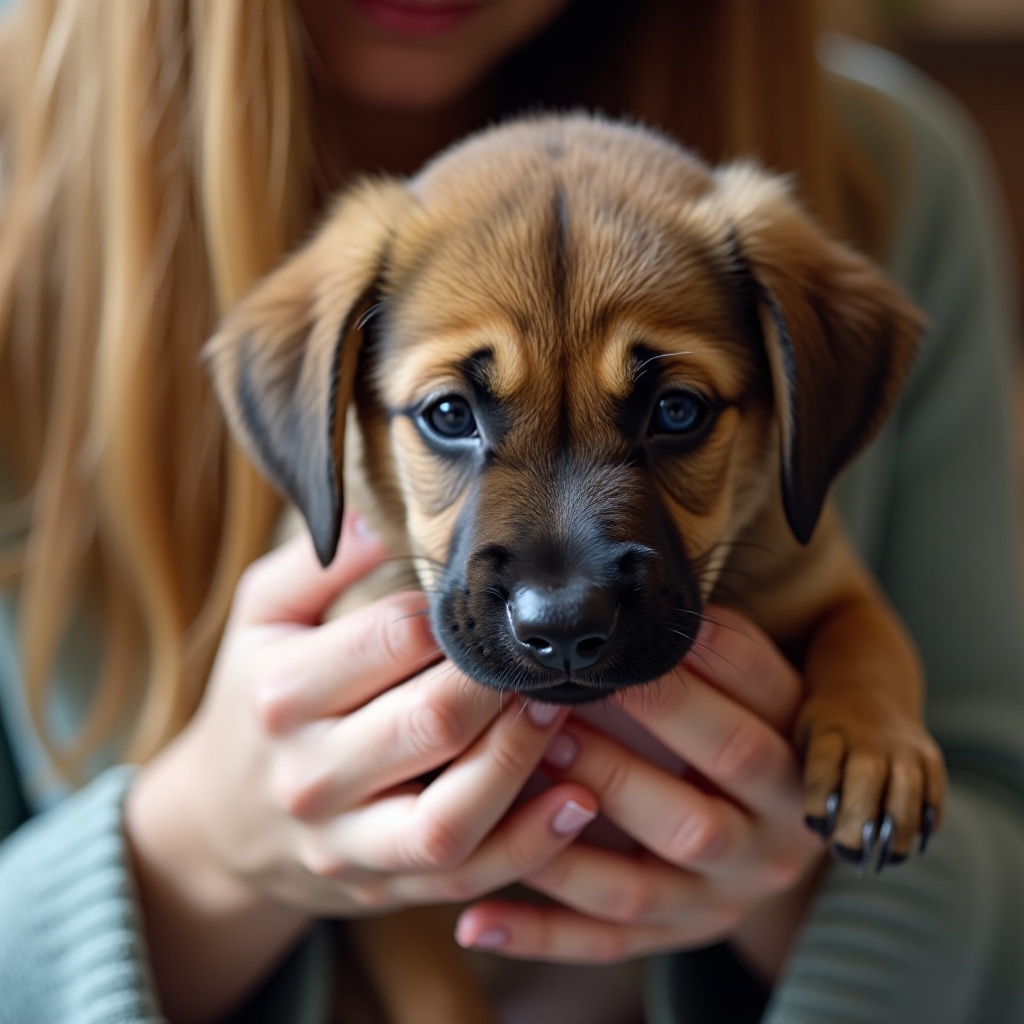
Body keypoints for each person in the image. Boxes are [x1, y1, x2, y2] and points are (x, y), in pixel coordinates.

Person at [1, 1, 1023, 1022]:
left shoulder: (890, 177)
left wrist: (848, 777)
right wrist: (205, 851)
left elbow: (852, 625)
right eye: (450, 414)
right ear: (337, 413)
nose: (563, 598)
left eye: (675, 411)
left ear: (795, 404)